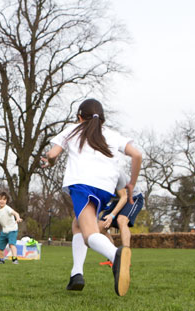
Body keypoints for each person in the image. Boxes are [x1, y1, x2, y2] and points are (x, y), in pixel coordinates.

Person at [42, 98, 142, 296]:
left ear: (80, 117)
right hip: (105, 189)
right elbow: (137, 155)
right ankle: (76, 274)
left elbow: (53, 154)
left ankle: (116, 256)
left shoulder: (73, 130)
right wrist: (131, 181)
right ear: (101, 119)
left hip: (82, 185)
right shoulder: (112, 135)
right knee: (77, 224)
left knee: (89, 235)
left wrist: (50, 162)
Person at [0, 191, 23, 264]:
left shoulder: (7, 208)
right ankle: (1, 260)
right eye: (0, 199)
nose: (2, 201)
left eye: (4, 199)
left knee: (12, 244)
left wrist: (18, 218)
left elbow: (16, 213)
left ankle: (14, 259)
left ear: (6, 201)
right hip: (4, 231)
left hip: (12, 230)